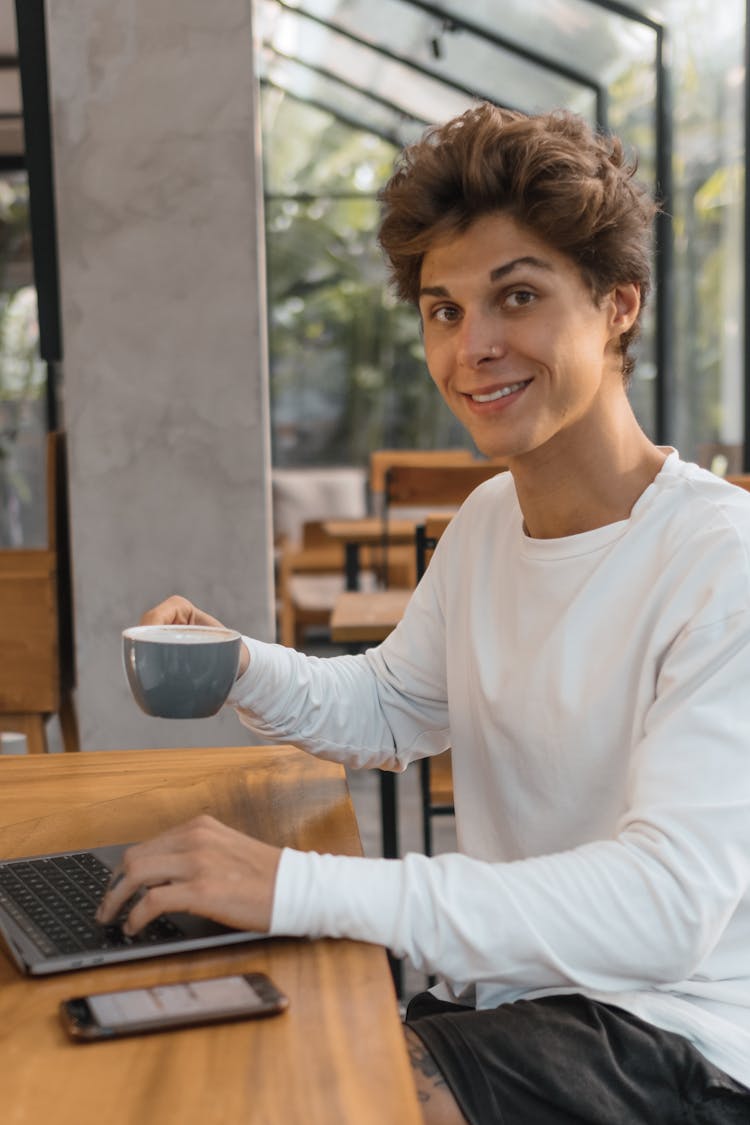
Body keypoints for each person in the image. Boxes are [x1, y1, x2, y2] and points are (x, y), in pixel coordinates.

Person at [97, 104, 750, 1124]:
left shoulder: (722, 561)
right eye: (444, 310)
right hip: (517, 994)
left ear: (618, 305)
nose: (473, 347)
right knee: (228, 1049)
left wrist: (293, 886)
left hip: (679, 1036)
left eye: (517, 296)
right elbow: (397, 705)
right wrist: (235, 664)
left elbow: (666, 910)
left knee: (310, 1094)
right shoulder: (492, 519)